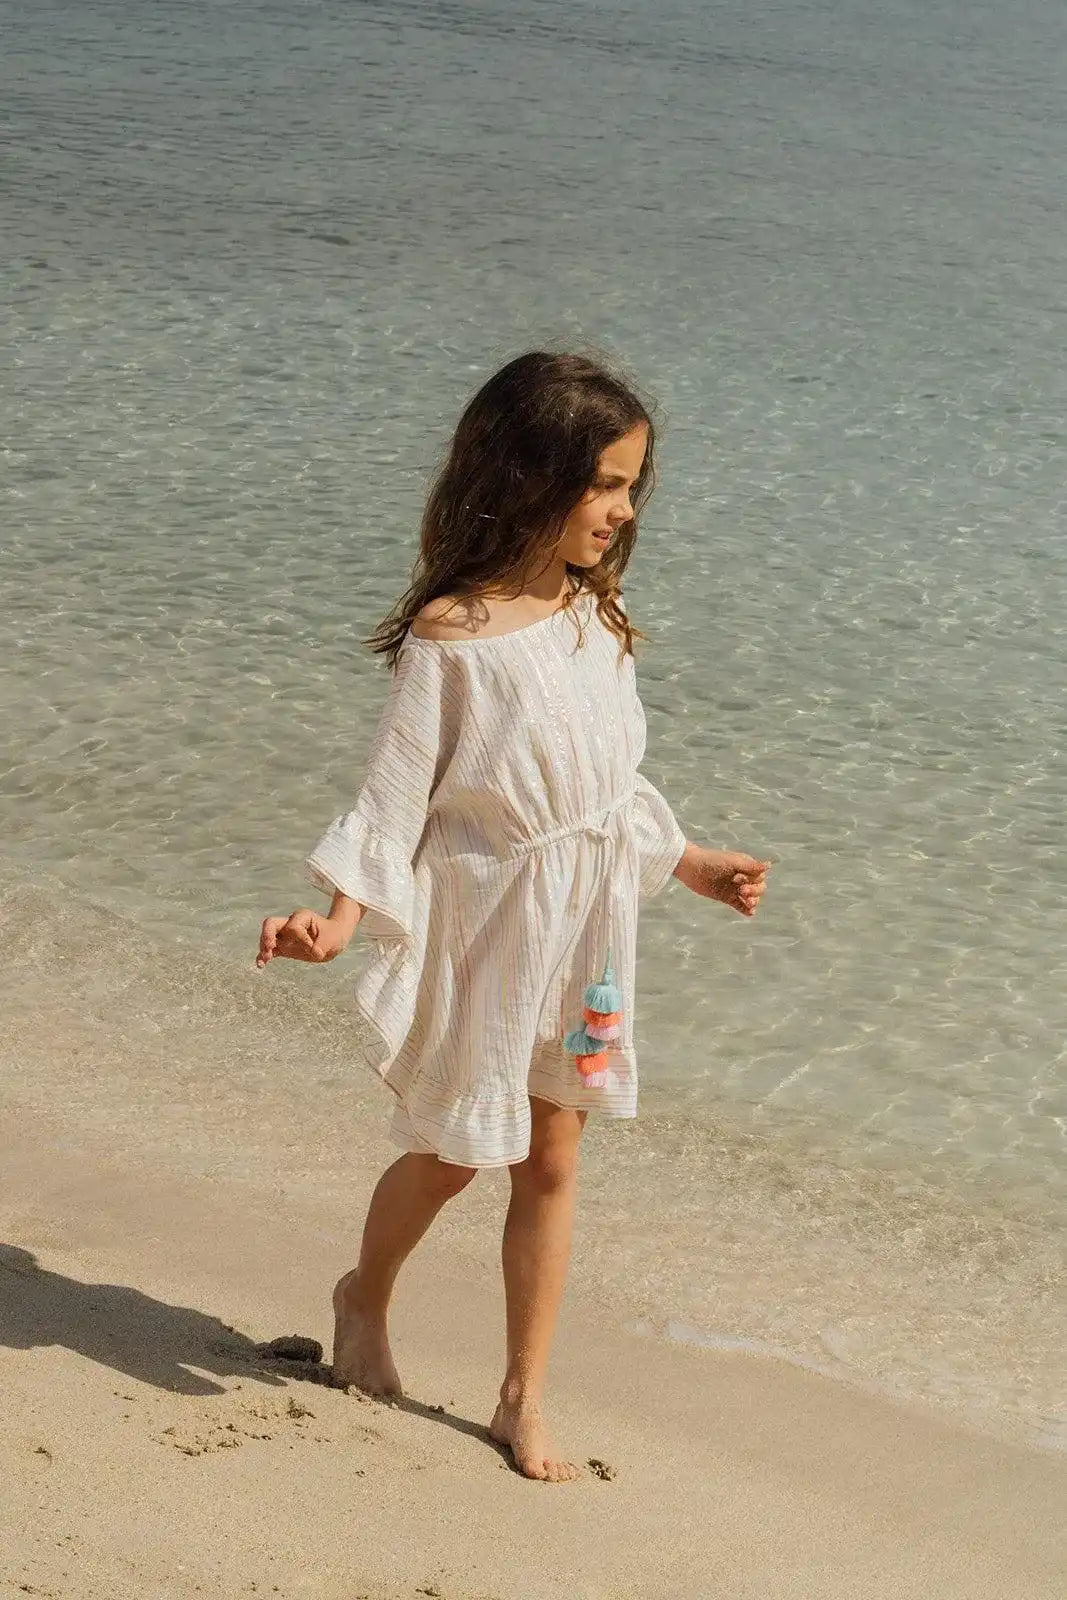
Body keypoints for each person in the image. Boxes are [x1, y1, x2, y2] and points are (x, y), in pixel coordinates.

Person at [256, 350, 770, 1482]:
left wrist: (685, 860)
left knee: (551, 1155)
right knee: (452, 1151)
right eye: (605, 484)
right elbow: (392, 798)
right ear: (531, 475)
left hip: (586, 934)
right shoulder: (453, 635)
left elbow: (606, 786)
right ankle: (362, 1295)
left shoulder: (600, 615)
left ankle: (519, 1395)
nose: (623, 510)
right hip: (488, 930)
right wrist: (338, 921)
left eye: (633, 486)